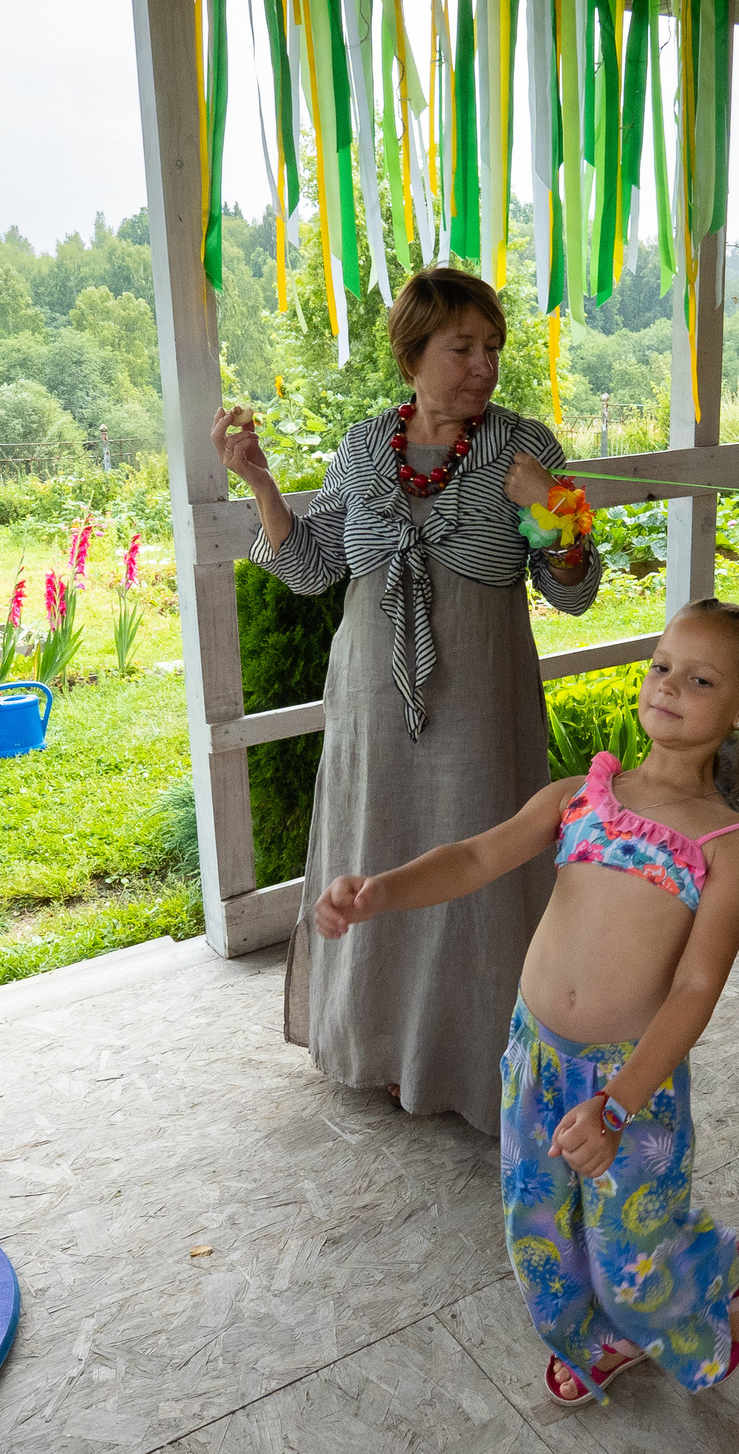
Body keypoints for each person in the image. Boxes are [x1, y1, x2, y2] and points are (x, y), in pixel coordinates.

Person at [311, 601, 739, 1402]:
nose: (669, 685)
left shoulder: (726, 844)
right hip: (535, 1055)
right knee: (541, 1235)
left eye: (699, 679)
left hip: (629, 1083)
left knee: (629, 1253)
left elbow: (697, 988)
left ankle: (717, 1264)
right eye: (661, 665)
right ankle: (595, 1343)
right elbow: (473, 857)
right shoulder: (582, 793)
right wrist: (376, 892)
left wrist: (618, 1106)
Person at [219, 267, 601, 1131]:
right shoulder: (362, 447)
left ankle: (477, 1059)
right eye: (462, 348)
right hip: (369, 703)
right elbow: (315, 567)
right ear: (413, 354)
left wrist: (557, 511)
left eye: (492, 348)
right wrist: (261, 483)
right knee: (379, 854)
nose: (483, 366)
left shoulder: (524, 447)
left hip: (481, 705)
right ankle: (384, 1046)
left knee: (481, 862)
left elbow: (574, 588)